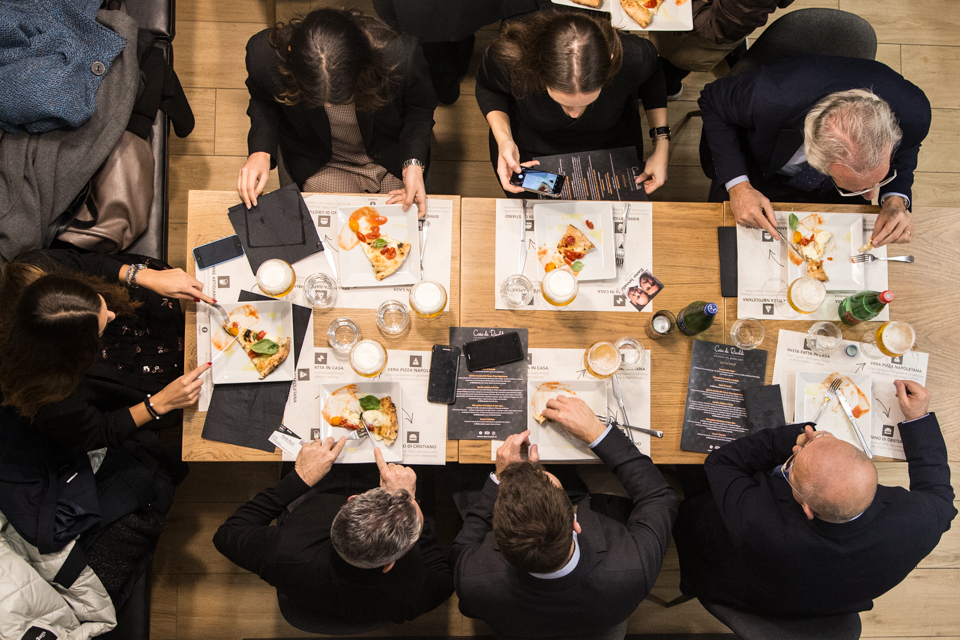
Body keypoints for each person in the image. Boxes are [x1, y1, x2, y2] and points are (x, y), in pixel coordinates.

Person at [673, 380, 956, 615]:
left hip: (746, 591)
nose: (794, 456)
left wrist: (786, 442)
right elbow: (941, 496)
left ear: (807, 509)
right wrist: (918, 419)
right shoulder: (920, 522)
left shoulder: (757, 521)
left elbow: (721, 463)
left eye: (791, 467)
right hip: (830, 604)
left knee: (695, 491)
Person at [452, 396, 678, 639]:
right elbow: (659, 496)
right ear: (575, 523)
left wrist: (503, 477)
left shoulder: (471, 579)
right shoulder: (633, 567)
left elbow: (464, 544)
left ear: (496, 534)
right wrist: (597, 433)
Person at [698, 55, 930, 247]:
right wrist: (739, 186)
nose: (872, 197)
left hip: (829, 191)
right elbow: (711, 100)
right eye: (867, 188)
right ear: (816, 156)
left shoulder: (913, 114)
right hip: (760, 168)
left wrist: (895, 199)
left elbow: (907, 149)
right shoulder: (767, 96)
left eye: (876, 183)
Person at [213, 443, 454, 627]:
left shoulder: (285, 551)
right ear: (390, 563)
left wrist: (300, 478)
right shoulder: (412, 587)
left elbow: (227, 534)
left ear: (351, 500)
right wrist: (416, 519)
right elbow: (444, 579)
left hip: (309, 568)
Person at [0, 249, 212, 452]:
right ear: (81, 350)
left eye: (100, 304)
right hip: (133, 373)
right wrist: (160, 403)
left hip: (136, 307)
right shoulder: (50, 395)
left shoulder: (33, 267)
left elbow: (89, 264)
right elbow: (96, 433)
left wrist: (145, 277)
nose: (112, 315)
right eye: (101, 326)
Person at [237, 8, 438, 216]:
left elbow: (420, 107)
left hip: (388, 155)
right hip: (318, 159)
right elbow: (262, 100)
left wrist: (413, 163)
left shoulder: (400, 55)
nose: (331, 107)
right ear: (290, 52)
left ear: (363, 60)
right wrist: (260, 151)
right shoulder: (263, 56)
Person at [475, 11, 670, 199]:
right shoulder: (511, 57)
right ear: (539, 68)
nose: (575, 114)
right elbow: (489, 88)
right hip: (531, 146)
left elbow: (653, 77)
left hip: (608, 144)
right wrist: (503, 138)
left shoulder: (633, 55)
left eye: (587, 101)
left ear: (610, 63)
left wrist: (662, 144)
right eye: (565, 104)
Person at [649, 0, 794, 99]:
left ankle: (668, 87)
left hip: (717, 25)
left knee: (679, 56)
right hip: (733, 16)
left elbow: (719, 26)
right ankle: (734, 50)